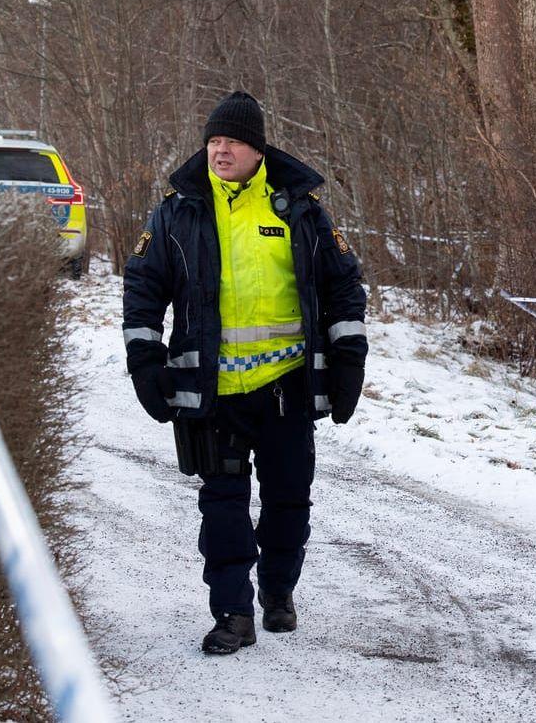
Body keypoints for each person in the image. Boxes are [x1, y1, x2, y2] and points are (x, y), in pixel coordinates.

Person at [122, 90, 367, 655]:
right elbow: (142, 290)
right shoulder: (178, 210)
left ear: (258, 150)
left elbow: (342, 287)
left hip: (287, 388)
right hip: (214, 394)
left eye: (231, 141)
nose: (219, 151)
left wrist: (349, 358)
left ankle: (278, 593)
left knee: (288, 501)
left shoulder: (299, 208)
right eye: (213, 141)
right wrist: (145, 360)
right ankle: (232, 612)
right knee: (223, 506)